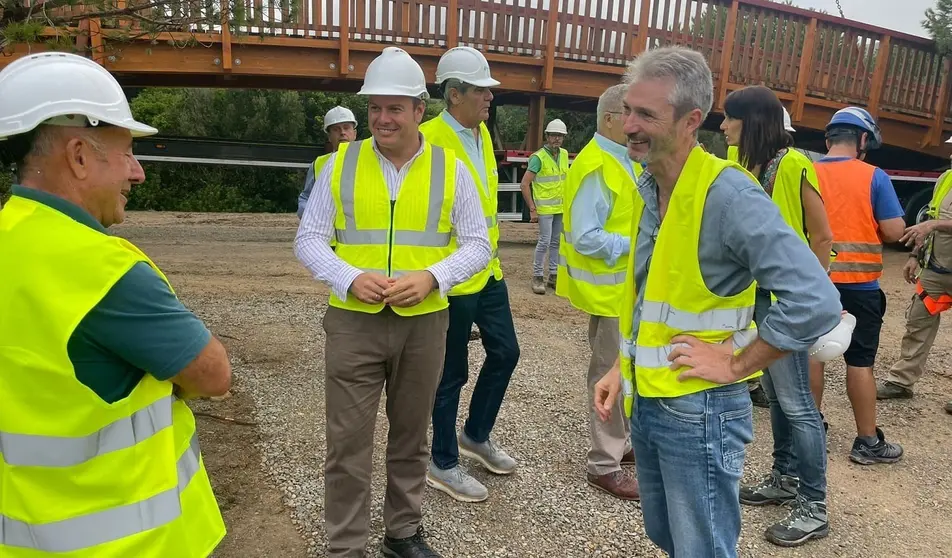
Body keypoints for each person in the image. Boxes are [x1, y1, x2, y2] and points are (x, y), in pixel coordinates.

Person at [592, 46, 842, 558]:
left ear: (691, 121)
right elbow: (654, 298)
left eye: (646, 114)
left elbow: (815, 300)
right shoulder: (650, 186)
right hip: (652, 401)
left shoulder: (728, 195)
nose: (629, 125)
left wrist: (735, 363)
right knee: (669, 537)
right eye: (628, 110)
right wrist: (624, 364)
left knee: (702, 548)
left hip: (700, 411)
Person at [0, 52, 230, 557]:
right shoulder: (102, 270)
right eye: (127, 152)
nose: (138, 172)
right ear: (79, 155)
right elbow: (213, 376)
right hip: (131, 543)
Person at [294, 46, 490, 557]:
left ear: (419, 110)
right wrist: (347, 276)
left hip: (424, 325)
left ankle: (402, 534)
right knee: (347, 444)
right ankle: (346, 546)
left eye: (394, 108)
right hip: (353, 323)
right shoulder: (340, 164)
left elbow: (478, 243)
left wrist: (432, 276)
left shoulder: (451, 168)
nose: (382, 118)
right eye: (375, 107)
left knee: (411, 438)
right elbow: (309, 238)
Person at [720, 85, 835, 547]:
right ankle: (785, 478)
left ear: (752, 121)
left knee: (798, 405)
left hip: (788, 300)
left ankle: (814, 505)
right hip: (762, 300)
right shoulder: (750, 168)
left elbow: (822, 235)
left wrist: (814, 297)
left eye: (730, 118)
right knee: (776, 396)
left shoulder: (795, 164)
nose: (724, 126)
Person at [418, 46, 521, 503]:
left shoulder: (480, 137)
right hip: (452, 276)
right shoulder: (428, 138)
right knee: (450, 373)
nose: (490, 98)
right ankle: (442, 463)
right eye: (482, 90)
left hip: (488, 270)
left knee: (506, 352)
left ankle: (475, 435)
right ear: (454, 93)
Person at [555, 83, 641, 501]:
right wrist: (640, 245)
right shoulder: (596, 166)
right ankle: (604, 463)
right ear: (610, 119)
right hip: (611, 293)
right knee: (608, 373)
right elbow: (587, 237)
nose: (637, 122)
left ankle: (619, 444)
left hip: (620, 291)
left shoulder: (621, 161)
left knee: (621, 371)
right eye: (631, 113)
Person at [810, 107, 906, 465]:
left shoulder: (807, 172)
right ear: (864, 140)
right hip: (861, 286)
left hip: (817, 283)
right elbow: (895, 231)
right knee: (860, 362)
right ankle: (867, 441)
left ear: (827, 139)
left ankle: (812, 429)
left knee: (813, 357)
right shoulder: (874, 176)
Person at [878, 139, 952, 413]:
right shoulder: (946, 178)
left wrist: (933, 224)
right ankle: (901, 382)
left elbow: (931, 222)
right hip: (935, 268)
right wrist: (914, 256)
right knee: (917, 323)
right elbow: (929, 220)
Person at [520, 118, 569, 294]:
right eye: (554, 135)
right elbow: (525, 184)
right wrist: (532, 208)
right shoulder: (538, 158)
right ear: (547, 136)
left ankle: (554, 276)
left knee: (556, 242)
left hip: (560, 208)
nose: (557, 139)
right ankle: (538, 276)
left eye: (560, 136)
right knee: (544, 241)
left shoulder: (563, 154)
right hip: (545, 208)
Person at [298, 105, 358, 217]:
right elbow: (306, 198)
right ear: (329, 137)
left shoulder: (369, 161)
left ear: (354, 134)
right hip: (326, 233)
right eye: (336, 129)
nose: (342, 132)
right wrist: (311, 216)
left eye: (346, 127)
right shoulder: (318, 165)